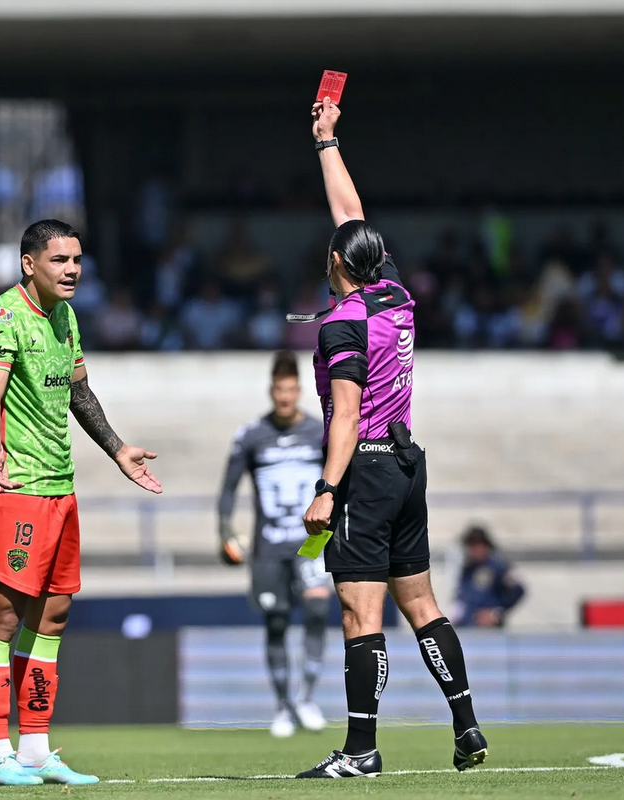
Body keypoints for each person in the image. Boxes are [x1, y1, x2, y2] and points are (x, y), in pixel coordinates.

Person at [295, 98, 487, 779]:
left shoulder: (341, 323)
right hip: (409, 463)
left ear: (336, 264)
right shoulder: (395, 296)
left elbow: (343, 416)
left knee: (360, 612)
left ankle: (361, 751)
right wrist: (327, 142)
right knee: (423, 605)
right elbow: (352, 219)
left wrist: (325, 489)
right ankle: (466, 725)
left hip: (367, 469)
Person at [0, 219, 162, 786]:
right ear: (29, 263)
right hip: (15, 488)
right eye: (59, 260)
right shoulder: (3, 317)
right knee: (2, 617)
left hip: (59, 487)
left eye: (77, 259)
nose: (72, 269)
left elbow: (79, 391)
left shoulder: (66, 316)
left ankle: (34, 749)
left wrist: (118, 449)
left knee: (53, 615)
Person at [217, 350, 330, 738]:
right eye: (279, 390)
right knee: (277, 622)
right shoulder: (251, 435)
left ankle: (307, 698)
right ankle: (283, 706)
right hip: (267, 545)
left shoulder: (319, 432)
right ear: (271, 391)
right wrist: (225, 531)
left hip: (312, 542)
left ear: (299, 390)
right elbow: (228, 489)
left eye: (291, 390)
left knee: (317, 608)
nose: (285, 397)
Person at [453, 525, 526, 628]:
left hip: (488, 631)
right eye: (470, 546)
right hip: (468, 627)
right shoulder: (467, 569)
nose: (471, 551)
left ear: (484, 545)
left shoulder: (499, 566)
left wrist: (495, 614)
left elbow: (518, 590)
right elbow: (461, 597)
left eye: (474, 546)